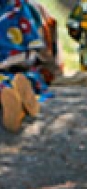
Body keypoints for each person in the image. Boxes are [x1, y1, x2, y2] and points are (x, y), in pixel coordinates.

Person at [0, 0, 47, 133]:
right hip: (13, 71)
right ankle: (19, 106)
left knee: (13, 81)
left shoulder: (20, 8)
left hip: (16, 66)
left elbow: (33, 51)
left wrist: (12, 62)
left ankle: (19, 103)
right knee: (8, 85)